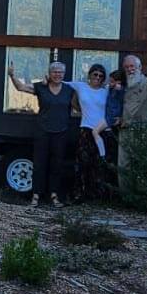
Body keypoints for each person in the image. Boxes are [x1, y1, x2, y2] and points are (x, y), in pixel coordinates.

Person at [7, 59, 76, 209]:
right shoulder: (41, 87)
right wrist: (12, 76)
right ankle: (36, 195)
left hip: (61, 131)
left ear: (64, 74)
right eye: (54, 72)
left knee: (57, 165)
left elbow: (80, 105)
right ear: (49, 73)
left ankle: (54, 195)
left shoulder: (69, 90)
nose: (57, 74)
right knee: (39, 164)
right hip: (43, 131)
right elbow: (20, 87)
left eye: (60, 72)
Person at [62, 63, 119, 202]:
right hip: (86, 129)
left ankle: (99, 197)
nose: (98, 77)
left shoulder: (106, 91)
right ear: (90, 75)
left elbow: (116, 103)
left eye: (101, 76)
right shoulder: (80, 86)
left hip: (103, 131)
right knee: (82, 163)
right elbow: (61, 83)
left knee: (100, 164)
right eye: (95, 74)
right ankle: (79, 195)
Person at [116, 54, 147, 184]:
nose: (129, 69)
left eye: (132, 66)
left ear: (140, 67)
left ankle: (142, 194)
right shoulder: (121, 84)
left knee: (144, 162)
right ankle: (125, 194)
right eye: (126, 67)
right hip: (125, 129)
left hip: (143, 129)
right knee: (123, 165)